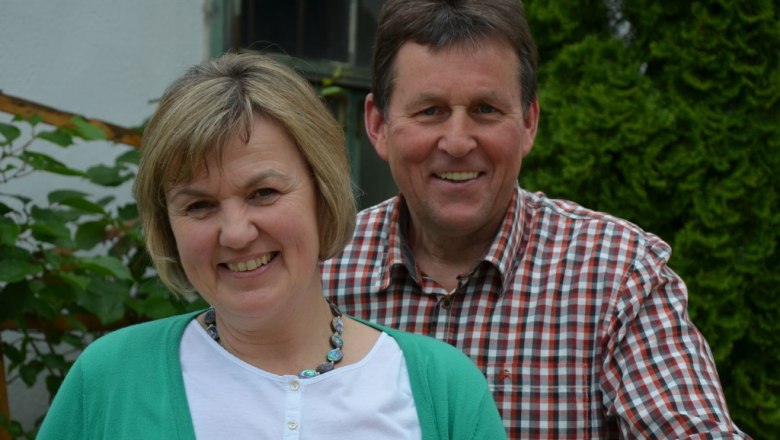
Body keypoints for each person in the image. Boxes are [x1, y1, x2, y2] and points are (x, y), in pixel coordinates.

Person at [320, 0, 750, 438]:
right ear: (378, 124)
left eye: (486, 109)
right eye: (430, 111)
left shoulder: (617, 275)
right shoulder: (322, 273)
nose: (457, 142)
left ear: (528, 122)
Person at [36, 52, 507, 439]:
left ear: (323, 195)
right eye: (199, 205)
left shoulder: (443, 389)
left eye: (263, 193)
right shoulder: (110, 379)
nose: (236, 233)